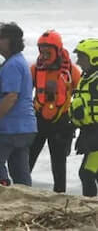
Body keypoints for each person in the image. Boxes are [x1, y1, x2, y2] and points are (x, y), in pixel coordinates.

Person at [0, 22, 36, 186]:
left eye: (1, 38)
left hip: (11, 127)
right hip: (25, 127)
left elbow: (11, 96)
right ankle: (26, 196)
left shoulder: (13, 65)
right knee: (20, 170)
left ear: (11, 41)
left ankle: (3, 190)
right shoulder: (19, 61)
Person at [28, 30, 80, 193]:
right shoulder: (35, 69)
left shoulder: (72, 71)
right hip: (38, 120)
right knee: (28, 158)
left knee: (58, 163)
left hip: (61, 122)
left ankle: (60, 194)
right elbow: (23, 95)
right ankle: (21, 188)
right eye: (41, 51)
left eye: (47, 51)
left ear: (57, 50)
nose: (43, 55)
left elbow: (82, 95)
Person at [69, 38, 98, 197]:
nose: (78, 62)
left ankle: (90, 207)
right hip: (89, 131)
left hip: (96, 133)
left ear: (94, 58)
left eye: (82, 57)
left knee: (87, 173)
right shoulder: (87, 78)